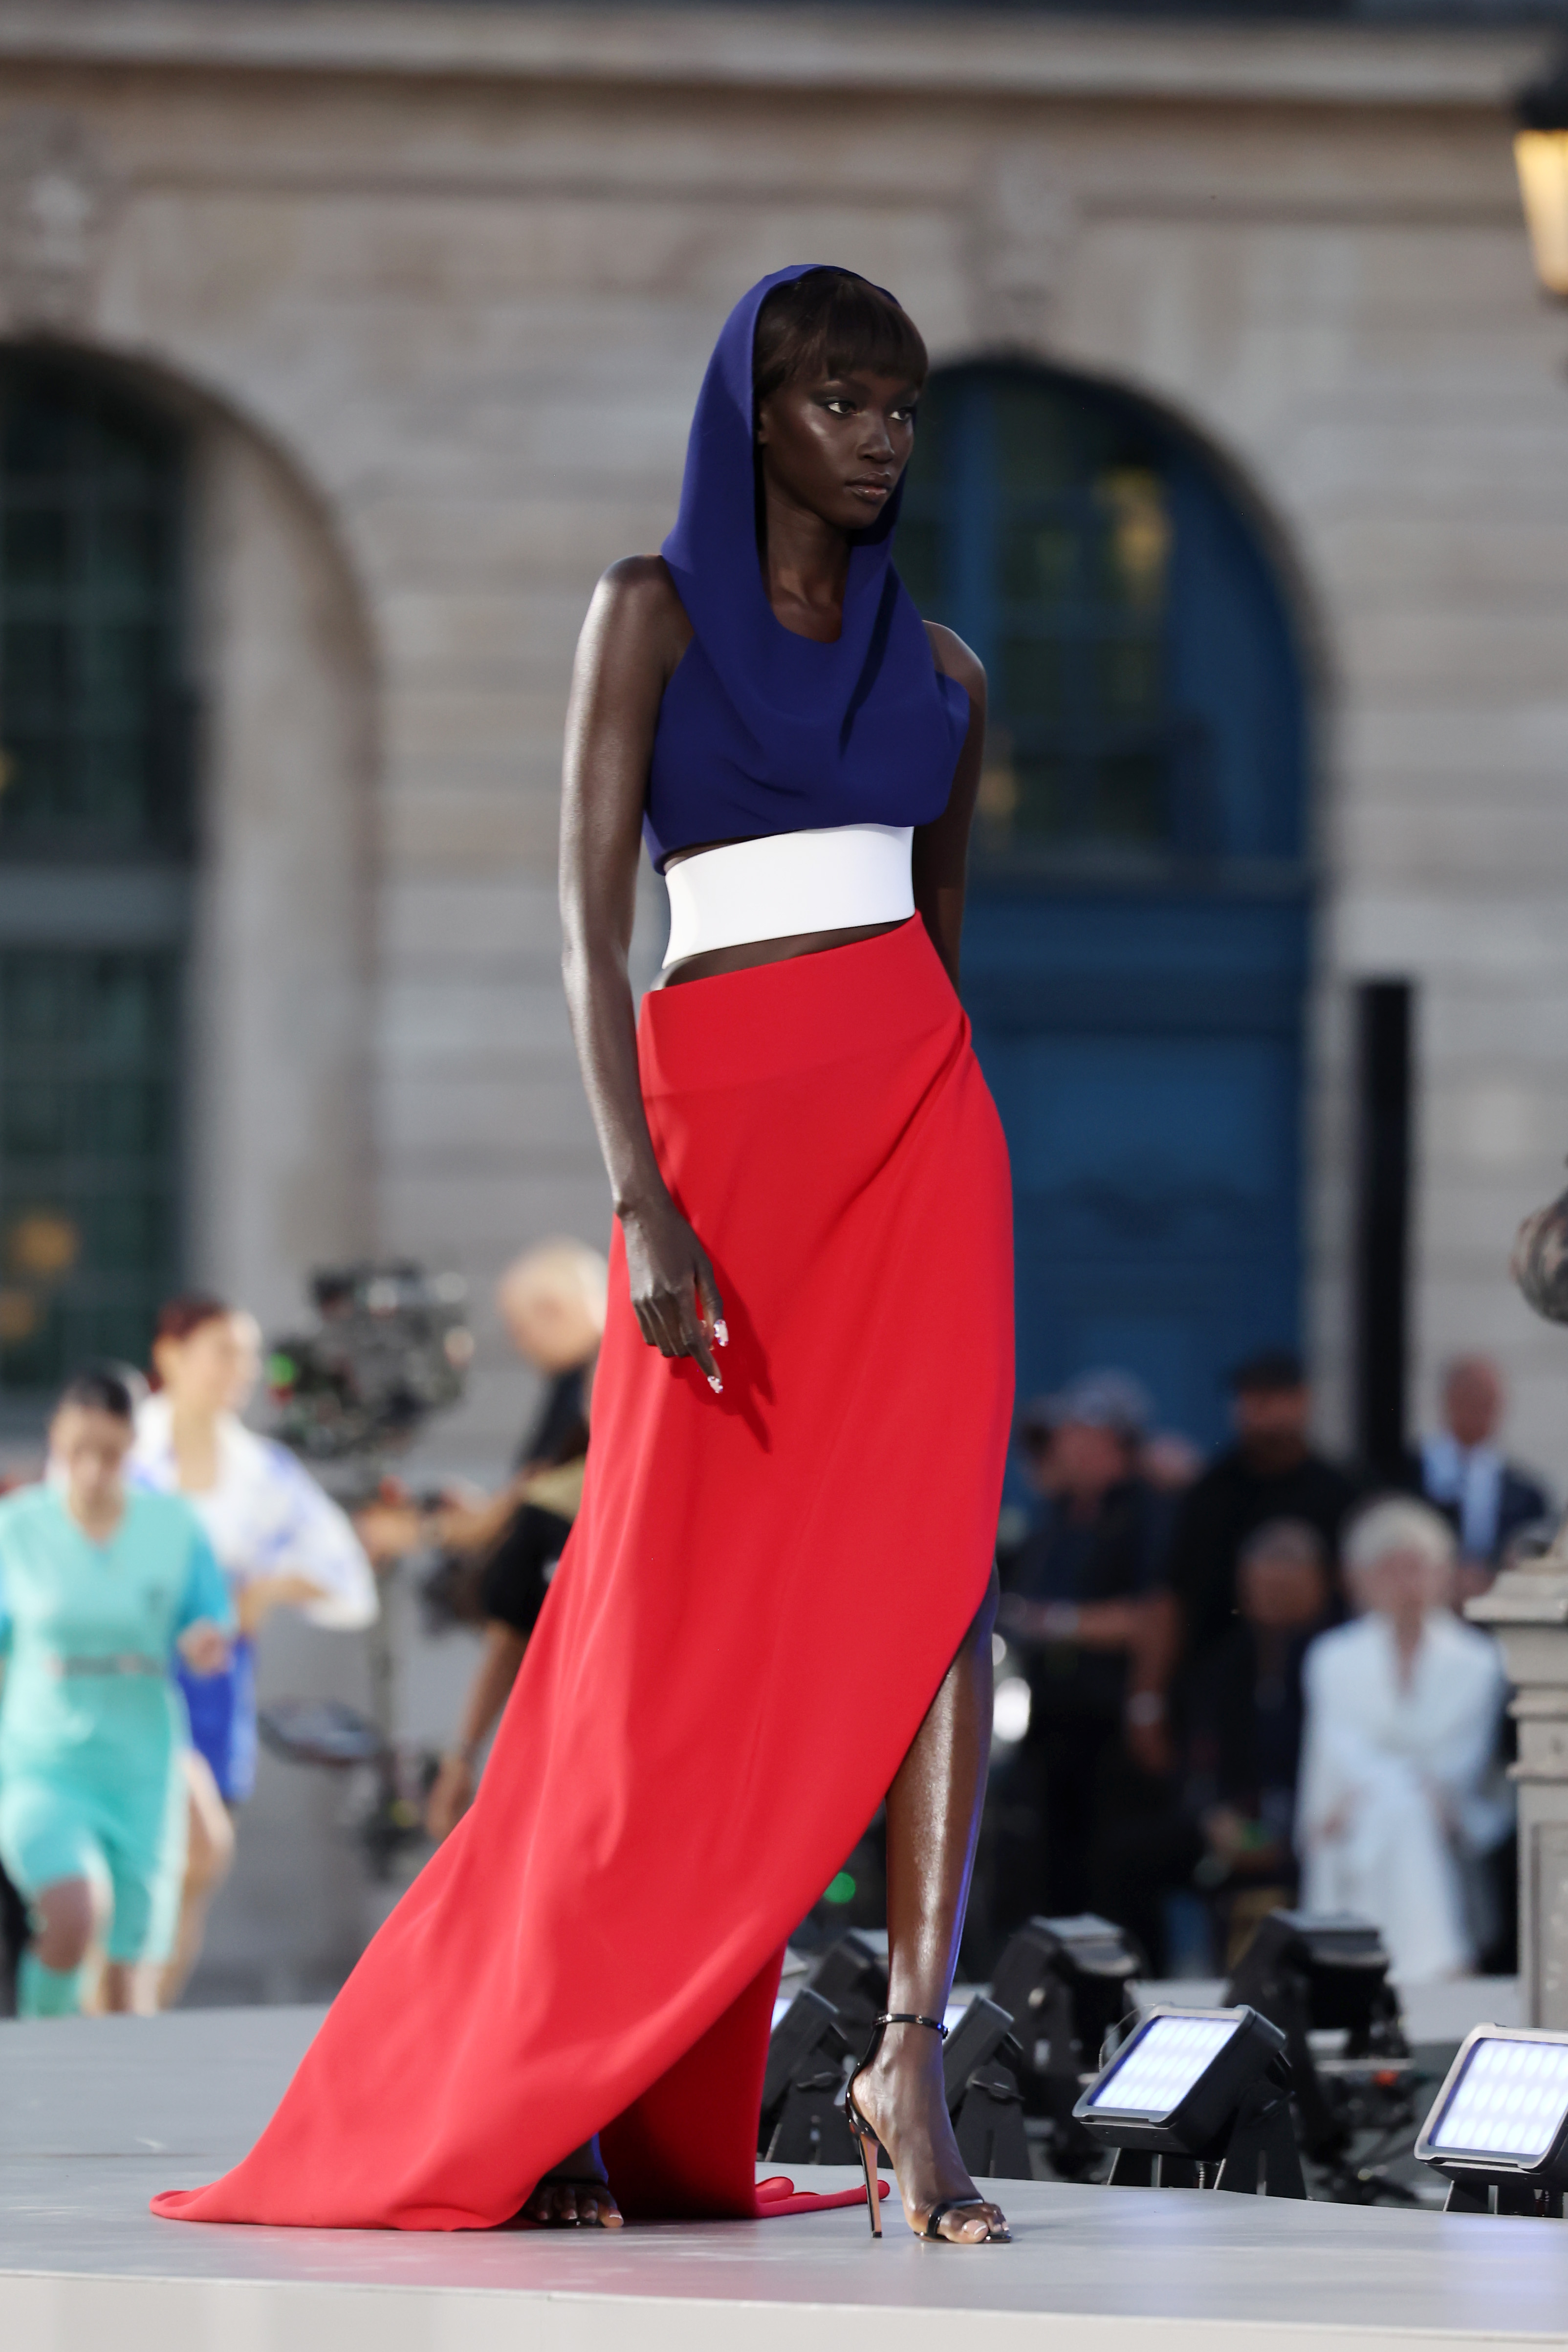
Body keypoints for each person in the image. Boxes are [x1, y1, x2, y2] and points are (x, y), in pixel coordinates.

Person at [153, 266, 1013, 2244]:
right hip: (714, 1153)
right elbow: (585, 927)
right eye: (840, 400)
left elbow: (943, 962)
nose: (880, 434)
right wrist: (637, 1192)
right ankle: (556, 2047)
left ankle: (906, 2059)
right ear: (758, 418)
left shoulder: (949, 678)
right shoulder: (650, 614)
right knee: (645, 1623)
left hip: (916, 1148)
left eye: (901, 405)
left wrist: (928, 1149)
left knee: (943, 1580)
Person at [130, 1294, 379, 2004]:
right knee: (161, 1851)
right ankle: (110, 2015)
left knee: (195, 1869)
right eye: (223, 1352)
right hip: (128, 1682)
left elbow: (346, 1575)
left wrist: (261, 1593)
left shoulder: (264, 1472)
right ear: (171, 1356)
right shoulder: (124, 1451)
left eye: (248, 1355)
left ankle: (138, 2020)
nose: (241, 1370)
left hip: (216, 1690)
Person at [0, 1366, 232, 2017]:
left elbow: (208, 1618)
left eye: (111, 1454)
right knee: (73, 1913)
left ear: (136, 1450)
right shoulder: (16, 1529)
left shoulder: (175, 1527)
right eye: (77, 1451)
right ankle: (37, 2061)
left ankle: (112, 2114)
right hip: (41, 1766)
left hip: (140, 1769)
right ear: (54, 1440)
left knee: (130, 1984)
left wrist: (207, 1642)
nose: (92, 1471)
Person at [1297, 1497, 1511, 1984]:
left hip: (1444, 1817)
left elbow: (1463, 1758)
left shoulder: (1479, 1661)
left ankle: (1386, 1968)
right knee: (1398, 1808)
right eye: (1390, 1570)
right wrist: (1398, 1787)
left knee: (1405, 1809)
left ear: (1444, 1574)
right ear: (1361, 1578)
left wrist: (1402, 1789)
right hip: (1361, 1813)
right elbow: (1340, 1751)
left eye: (1418, 1568)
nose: (1406, 1584)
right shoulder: (1332, 1656)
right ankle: (1437, 1961)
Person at [993, 1372, 1176, 1935]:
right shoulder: (1059, 1518)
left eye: (1077, 1435)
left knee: (1115, 1875)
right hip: (1050, 1720)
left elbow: (1153, 1613)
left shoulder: (1146, 1512)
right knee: (1050, 1870)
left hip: (1112, 1720)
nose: (1063, 1448)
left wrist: (1058, 1623)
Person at [1181, 1518, 1332, 1956]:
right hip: (1240, 1830)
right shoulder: (1222, 1666)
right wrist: (1213, 1814)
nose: (1273, 1600)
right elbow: (1200, 1757)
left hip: (1313, 1830)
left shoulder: (1339, 1660)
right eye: (1262, 1588)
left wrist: (1290, 1835)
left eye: (1287, 1588)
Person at [1166, 1349, 1360, 1674]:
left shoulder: (1342, 1492)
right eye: (1246, 1399)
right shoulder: (1210, 1493)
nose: (1256, 1411)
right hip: (1217, 1674)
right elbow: (1173, 1596)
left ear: (1301, 1401)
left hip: (1317, 1671)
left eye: (1268, 1398)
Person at [1405, 1353, 1550, 1592]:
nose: (1479, 1410)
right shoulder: (1406, 1477)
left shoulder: (1527, 1494)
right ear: (1447, 1400)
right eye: (1469, 1398)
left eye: (1488, 1401)